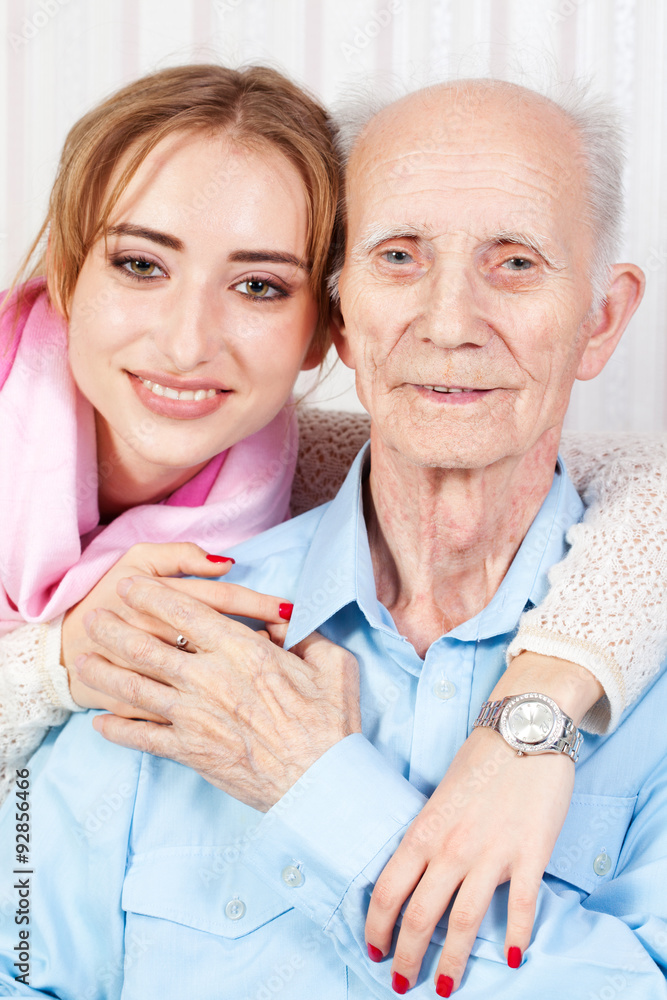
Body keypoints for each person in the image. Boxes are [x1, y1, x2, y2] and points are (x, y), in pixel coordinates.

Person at [0, 77, 665, 999]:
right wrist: (48, 668)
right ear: (344, 319)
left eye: (515, 263)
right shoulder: (157, 627)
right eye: (398, 257)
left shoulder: (639, 634)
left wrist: (316, 785)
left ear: (601, 319)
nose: (448, 324)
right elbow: (25, 964)